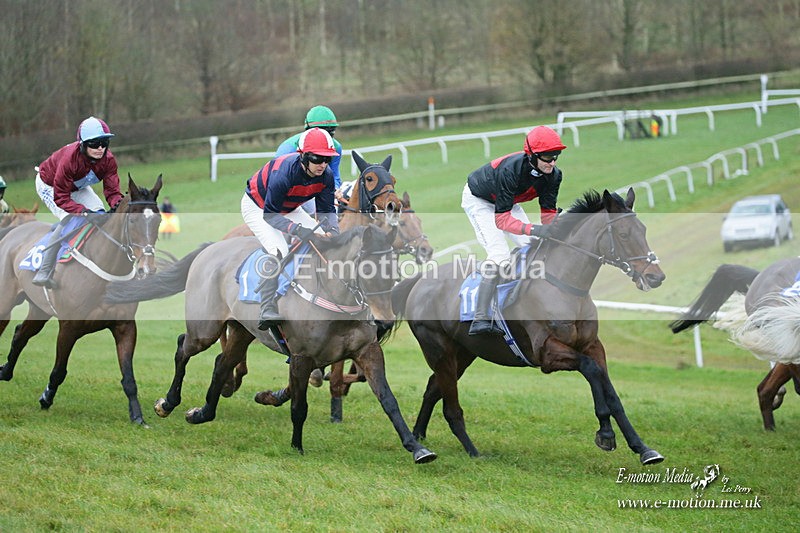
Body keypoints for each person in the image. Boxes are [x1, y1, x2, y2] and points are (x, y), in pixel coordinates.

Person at [461, 125, 567, 335]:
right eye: (547, 157)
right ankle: (480, 318)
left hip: (507, 202)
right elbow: (501, 221)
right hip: (479, 200)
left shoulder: (554, 175)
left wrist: (552, 229)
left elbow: (547, 211)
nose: (552, 162)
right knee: (499, 254)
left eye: (556, 156)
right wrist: (535, 229)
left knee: (533, 248)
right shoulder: (511, 170)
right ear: (532, 155)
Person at [241, 127, 340, 330]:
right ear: (303, 156)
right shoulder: (283, 173)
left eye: (327, 160)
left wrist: (334, 233)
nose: (322, 165)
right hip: (259, 207)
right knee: (279, 250)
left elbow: (326, 211)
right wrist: (296, 230)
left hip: (289, 207)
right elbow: (270, 214)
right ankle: (266, 307)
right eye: (317, 159)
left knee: (324, 239)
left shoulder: (326, 175)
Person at [32, 116, 123, 288]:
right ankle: (46, 269)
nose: (100, 148)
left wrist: (118, 205)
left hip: (78, 186)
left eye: (104, 143)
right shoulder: (69, 160)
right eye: (95, 144)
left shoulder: (108, 160)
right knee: (69, 219)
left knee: (100, 214)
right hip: (50, 186)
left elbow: (112, 192)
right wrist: (84, 212)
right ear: (82, 144)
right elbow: (61, 197)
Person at [275, 105, 344, 214]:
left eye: (331, 132)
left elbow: (334, 175)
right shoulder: (288, 149)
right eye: (322, 131)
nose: (326, 138)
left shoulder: (336, 147)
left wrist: (335, 189)